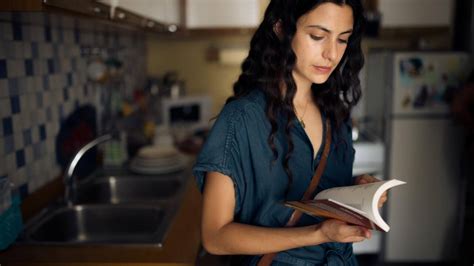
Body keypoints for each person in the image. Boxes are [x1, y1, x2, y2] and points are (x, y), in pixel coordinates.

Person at [192, 0, 387, 265]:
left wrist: (359, 192)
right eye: (318, 36)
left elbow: (318, 193)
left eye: (343, 40)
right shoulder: (240, 120)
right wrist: (318, 233)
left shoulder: (336, 116)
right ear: (281, 29)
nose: (331, 54)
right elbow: (215, 237)